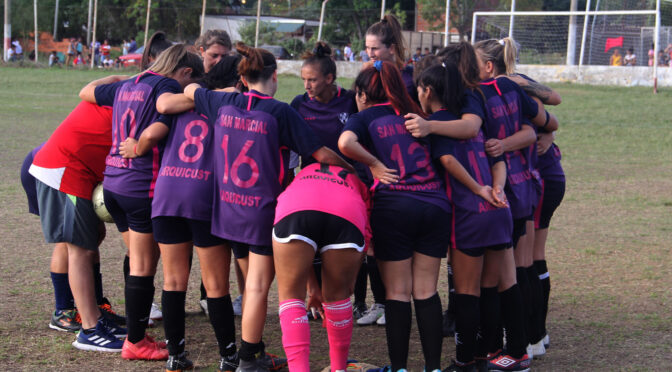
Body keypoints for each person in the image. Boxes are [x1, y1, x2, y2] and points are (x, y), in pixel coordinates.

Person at [179, 41, 352, 371]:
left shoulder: (222, 100)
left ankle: (250, 350)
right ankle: (249, 357)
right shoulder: (280, 111)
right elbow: (322, 156)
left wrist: (200, 92)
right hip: (261, 210)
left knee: (246, 283)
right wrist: (356, 171)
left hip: (226, 208)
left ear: (243, 78)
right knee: (258, 285)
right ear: (273, 77)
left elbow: (190, 90)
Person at [79, 44, 204, 361]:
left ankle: (137, 335)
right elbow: (172, 109)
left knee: (138, 263)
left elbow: (87, 91)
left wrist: (121, 75)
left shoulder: (129, 84)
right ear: (185, 72)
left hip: (114, 182)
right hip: (140, 185)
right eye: (190, 79)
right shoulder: (165, 86)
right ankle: (135, 342)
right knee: (143, 267)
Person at [119, 57, 241, 372]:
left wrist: (137, 146)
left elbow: (156, 126)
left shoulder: (179, 104)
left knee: (173, 281)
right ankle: (228, 357)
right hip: (203, 197)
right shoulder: (229, 104)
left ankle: (176, 356)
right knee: (215, 284)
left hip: (167, 195)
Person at [339, 60, 449, 372]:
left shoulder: (367, 117)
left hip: (395, 207)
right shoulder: (417, 112)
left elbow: (345, 143)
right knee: (426, 290)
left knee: (398, 292)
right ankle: (433, 368)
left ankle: (399, 367)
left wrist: (373, 164)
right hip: (434, 204)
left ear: (363, 94)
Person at [416, 61, 512, 372]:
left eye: (418, 89)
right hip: (499, 211)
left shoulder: (439, 122)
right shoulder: (472, 121)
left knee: (467, 293)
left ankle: (465, 361)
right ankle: (488, 356)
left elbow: (446, 160)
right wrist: (496, 188)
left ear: (428, 91)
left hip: (470, 213)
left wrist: (479, 189)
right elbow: (499, 159)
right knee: (489, 288)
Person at [28, 100, 128, 352]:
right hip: (62, 170)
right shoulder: (131, 93)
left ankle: (94, 313)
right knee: (76, 246)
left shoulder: (129, 92)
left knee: (89, 239)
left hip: (76, 171)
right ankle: (85, 326)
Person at [272, 162, 368, 372]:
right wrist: (349, 282)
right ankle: (339, 368)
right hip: (346, 209)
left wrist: (311, 287)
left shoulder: (307, 169)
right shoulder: (359, 175)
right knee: (338, 297)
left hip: (296, 207)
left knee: (290, 297)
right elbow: (367, 232)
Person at [365, 15, 415, 100]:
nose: (370, 54)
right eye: (367, 47)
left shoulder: (410, 76)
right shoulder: (367, 75)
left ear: (391, 48)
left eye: (375, 48)